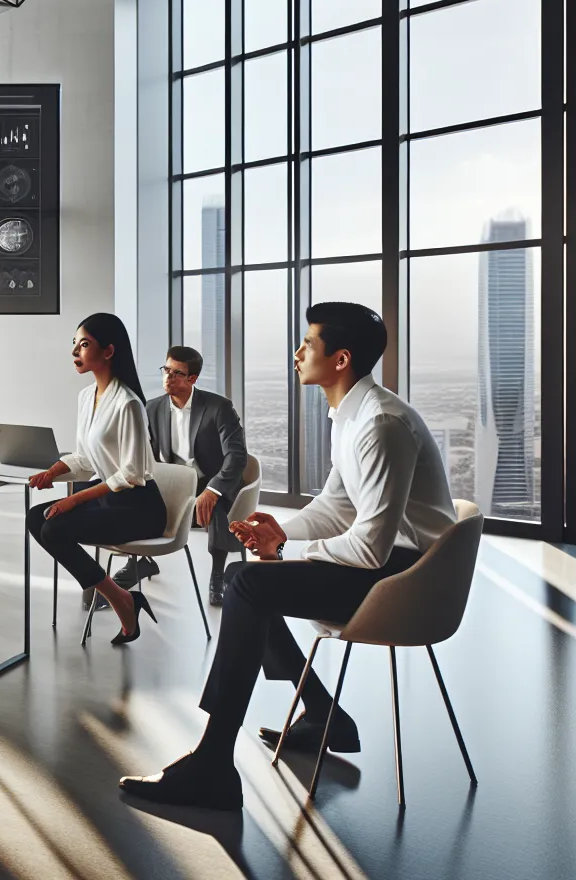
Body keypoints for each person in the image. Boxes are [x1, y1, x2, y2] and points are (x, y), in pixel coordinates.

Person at [120, 302, 457, 810]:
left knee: (247, 584)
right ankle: (321, 714)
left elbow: (370, 548)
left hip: (409, 581)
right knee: (248, 583)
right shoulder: (352, 414)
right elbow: (337, 504)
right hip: (394, 565)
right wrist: (282, 530)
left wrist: (287, 550)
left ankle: (213, 763)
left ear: (340, 359)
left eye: (308, 344)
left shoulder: (381, 424)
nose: (296, 353)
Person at [24, 312, 166, 644]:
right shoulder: (87, 397)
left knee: (54, 529)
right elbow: (86, 459)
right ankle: (122, 597)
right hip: (107, 498)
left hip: (139, 507)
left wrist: (73, 499)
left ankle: (120, 601)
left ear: (109, 351)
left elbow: (131, 473)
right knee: (36, 518)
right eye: (74, 343)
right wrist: (53, 472)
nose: (75, 351)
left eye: (84, 344)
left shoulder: (129, 403)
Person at [109, 345, 248, 608]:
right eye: (166, 370)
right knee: (130, 498)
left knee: (215, 505)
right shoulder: (151, 408)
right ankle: (138, 562)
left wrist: (213, 490)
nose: (168, 377)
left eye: (177, 373)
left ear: (192, 378)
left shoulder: (218, 407)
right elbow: (143, 454)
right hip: (173, 484)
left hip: (209, 480)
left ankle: (218, 574)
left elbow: (237, 455)